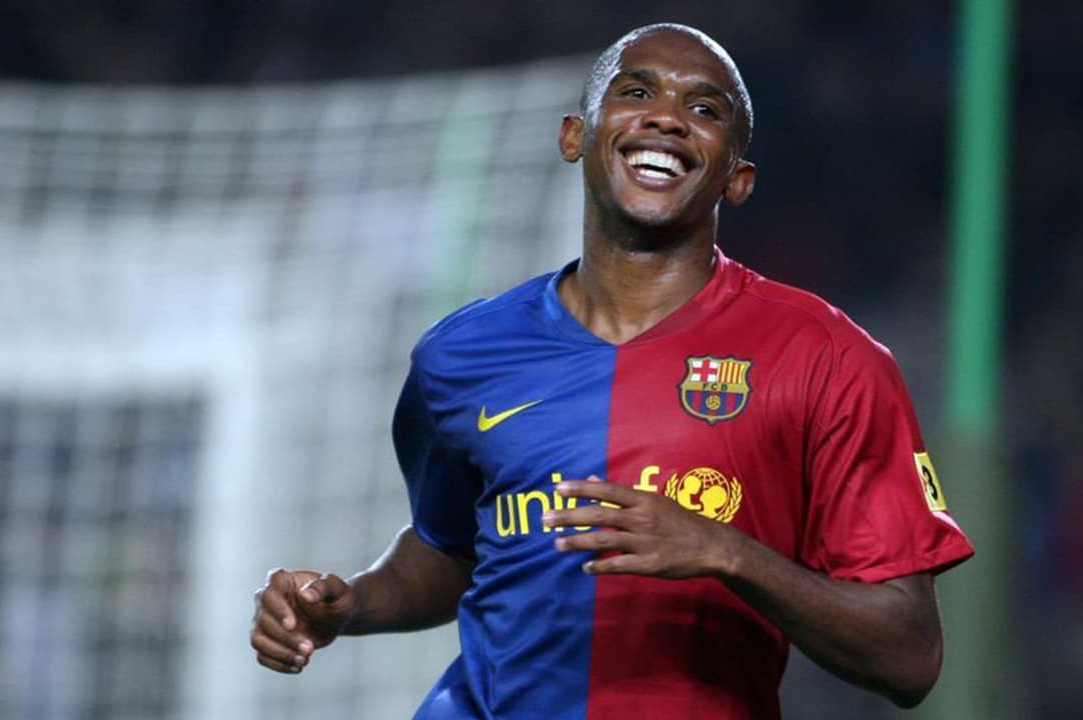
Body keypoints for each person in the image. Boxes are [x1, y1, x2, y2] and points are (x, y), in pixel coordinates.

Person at [251, 22, 974, 719]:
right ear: (575, 136)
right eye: (636, 93)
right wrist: (352, 604)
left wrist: (725, 552)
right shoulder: (461, 355)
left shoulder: (827, 358)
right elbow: (451, 549)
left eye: (704, 110)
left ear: (738, 179)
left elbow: (909, 657)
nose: (667, 118)